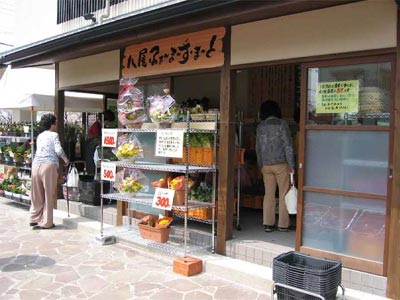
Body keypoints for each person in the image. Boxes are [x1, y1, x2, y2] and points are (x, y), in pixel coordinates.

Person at [256, 100, 295, 232]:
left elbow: (258, 148)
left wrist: (260, 164)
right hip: (281, 163)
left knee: (269, 194)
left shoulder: (260, 126)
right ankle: (283, 225)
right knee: (283, 193)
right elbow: (288, 145)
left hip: (266, 165)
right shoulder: (282, 124)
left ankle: (268, 223)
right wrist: (291, 164)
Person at [29, 114, 70, 229]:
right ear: (52, 124)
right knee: (48, 194)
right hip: (49, 165)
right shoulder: (54, 135)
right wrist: (66, 160)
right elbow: (58, 150)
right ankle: (47, 222)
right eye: (55, 123)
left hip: (36, 165)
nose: (56, 125)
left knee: (36, 194)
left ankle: (33, 218)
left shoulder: (40, 136)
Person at [85, 109, 116, 175]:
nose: (108, 123)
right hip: (91, 151)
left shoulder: (100, 125)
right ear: (105, 120)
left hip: (94, 150)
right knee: (92, 169)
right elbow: (97, 140)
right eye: (108, 121)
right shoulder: (96, 127)